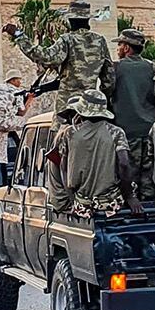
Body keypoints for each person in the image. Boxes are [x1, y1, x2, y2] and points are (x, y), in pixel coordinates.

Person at [48, 89, 139, 218]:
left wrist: (72, 198)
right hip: (110, 203)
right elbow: (124, 164)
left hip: (82, 205)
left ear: (81, 111)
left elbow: (63, 168)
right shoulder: (116, 132)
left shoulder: (68, 134)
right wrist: (130, 196)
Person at [6, 0, 111, 103]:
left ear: (70, 20)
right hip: (90, 103)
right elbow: (109, 77)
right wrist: (103, 100)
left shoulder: (67, 40)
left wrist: (19, 36)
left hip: (68, 104)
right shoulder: (100, 41)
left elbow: (46, 57)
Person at [110, 28, 155, 192]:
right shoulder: (152, 67)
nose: (118, 49)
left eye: (120, 45)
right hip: (150, 131)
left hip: (127, 133)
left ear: (126, 48)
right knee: (148, 182)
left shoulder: (116, 68)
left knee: (128, 180)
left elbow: (107, 93)